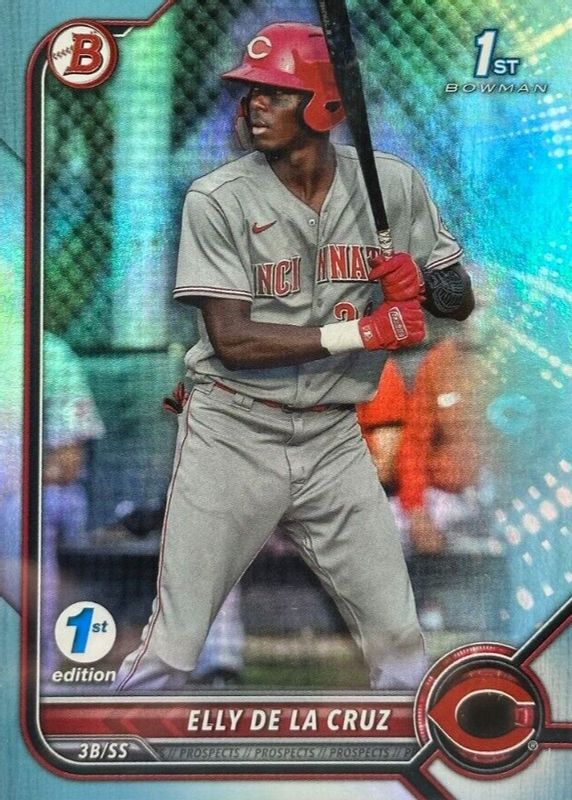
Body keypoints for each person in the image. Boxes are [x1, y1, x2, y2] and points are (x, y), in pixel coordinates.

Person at [114, 21, 473, 693]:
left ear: (325, 105)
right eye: (250, 91)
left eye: (275, 92)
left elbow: (458, 298)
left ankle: (408, 745)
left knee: (400, 646)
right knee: (170, 648)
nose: (254, 104)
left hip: (333, 437)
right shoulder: (217, 199)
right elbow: (233, 340)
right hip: (232, 431)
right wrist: (363, 333)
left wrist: (422, 281)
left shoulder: (392, 187)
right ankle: (113, 745)